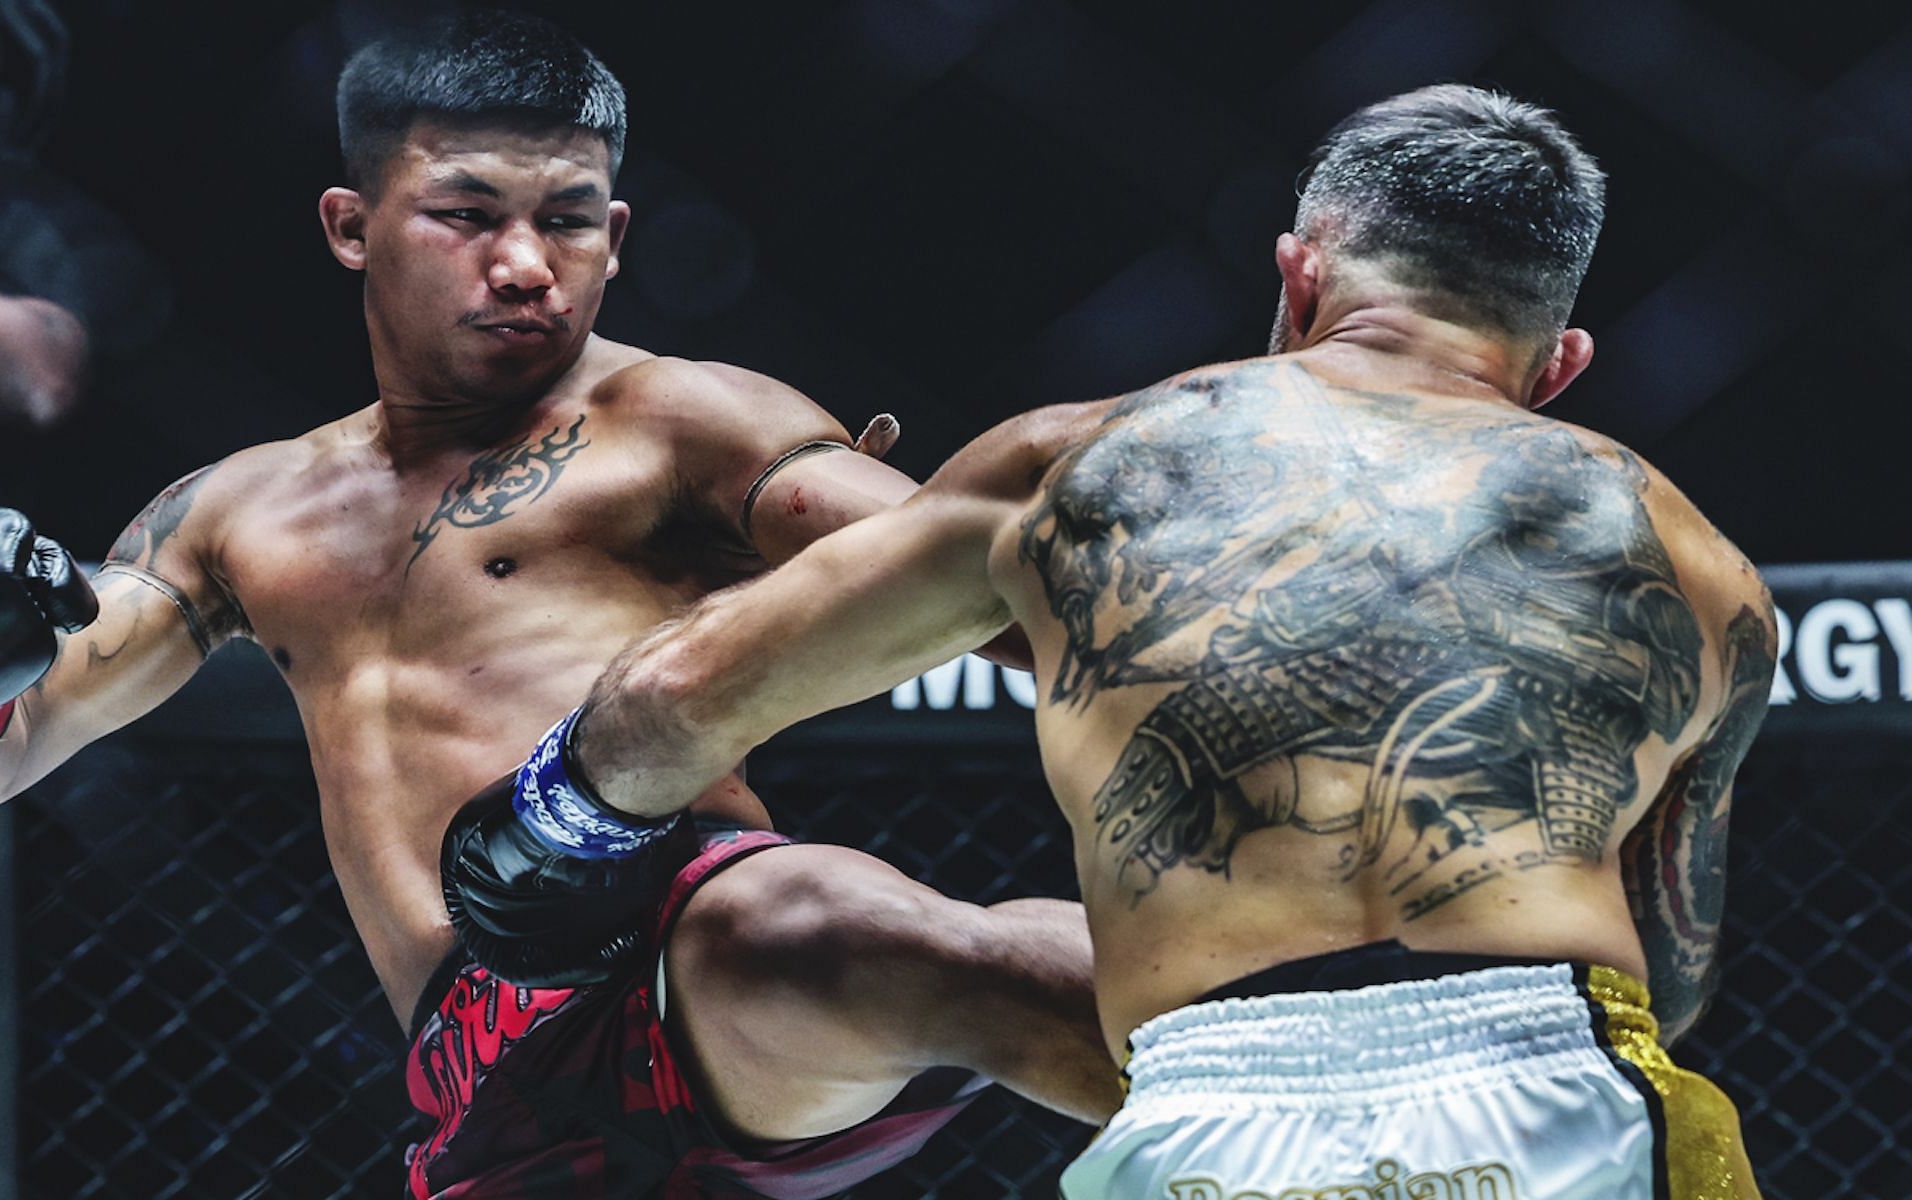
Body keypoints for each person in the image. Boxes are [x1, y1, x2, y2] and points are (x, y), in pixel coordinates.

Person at [531, 85, 1775, 1198]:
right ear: (1559, 367)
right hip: (1555, 1089)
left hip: (1206, 1106)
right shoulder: (1703, 567)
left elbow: (676, 701)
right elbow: (1670, 978)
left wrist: (529, 852)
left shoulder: (1080, 463)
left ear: (1298, 279)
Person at [0, 12, 1117, 1198]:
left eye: (568, 217)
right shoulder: (236, 514)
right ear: (350, 225)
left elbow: (985, 585)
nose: (526, 262)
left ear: (617, 235)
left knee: (832, 926)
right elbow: (23, 737)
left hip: (688, 954)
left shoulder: (683, 418)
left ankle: (1270, 1089)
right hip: (485, 1079)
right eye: (468, 215)